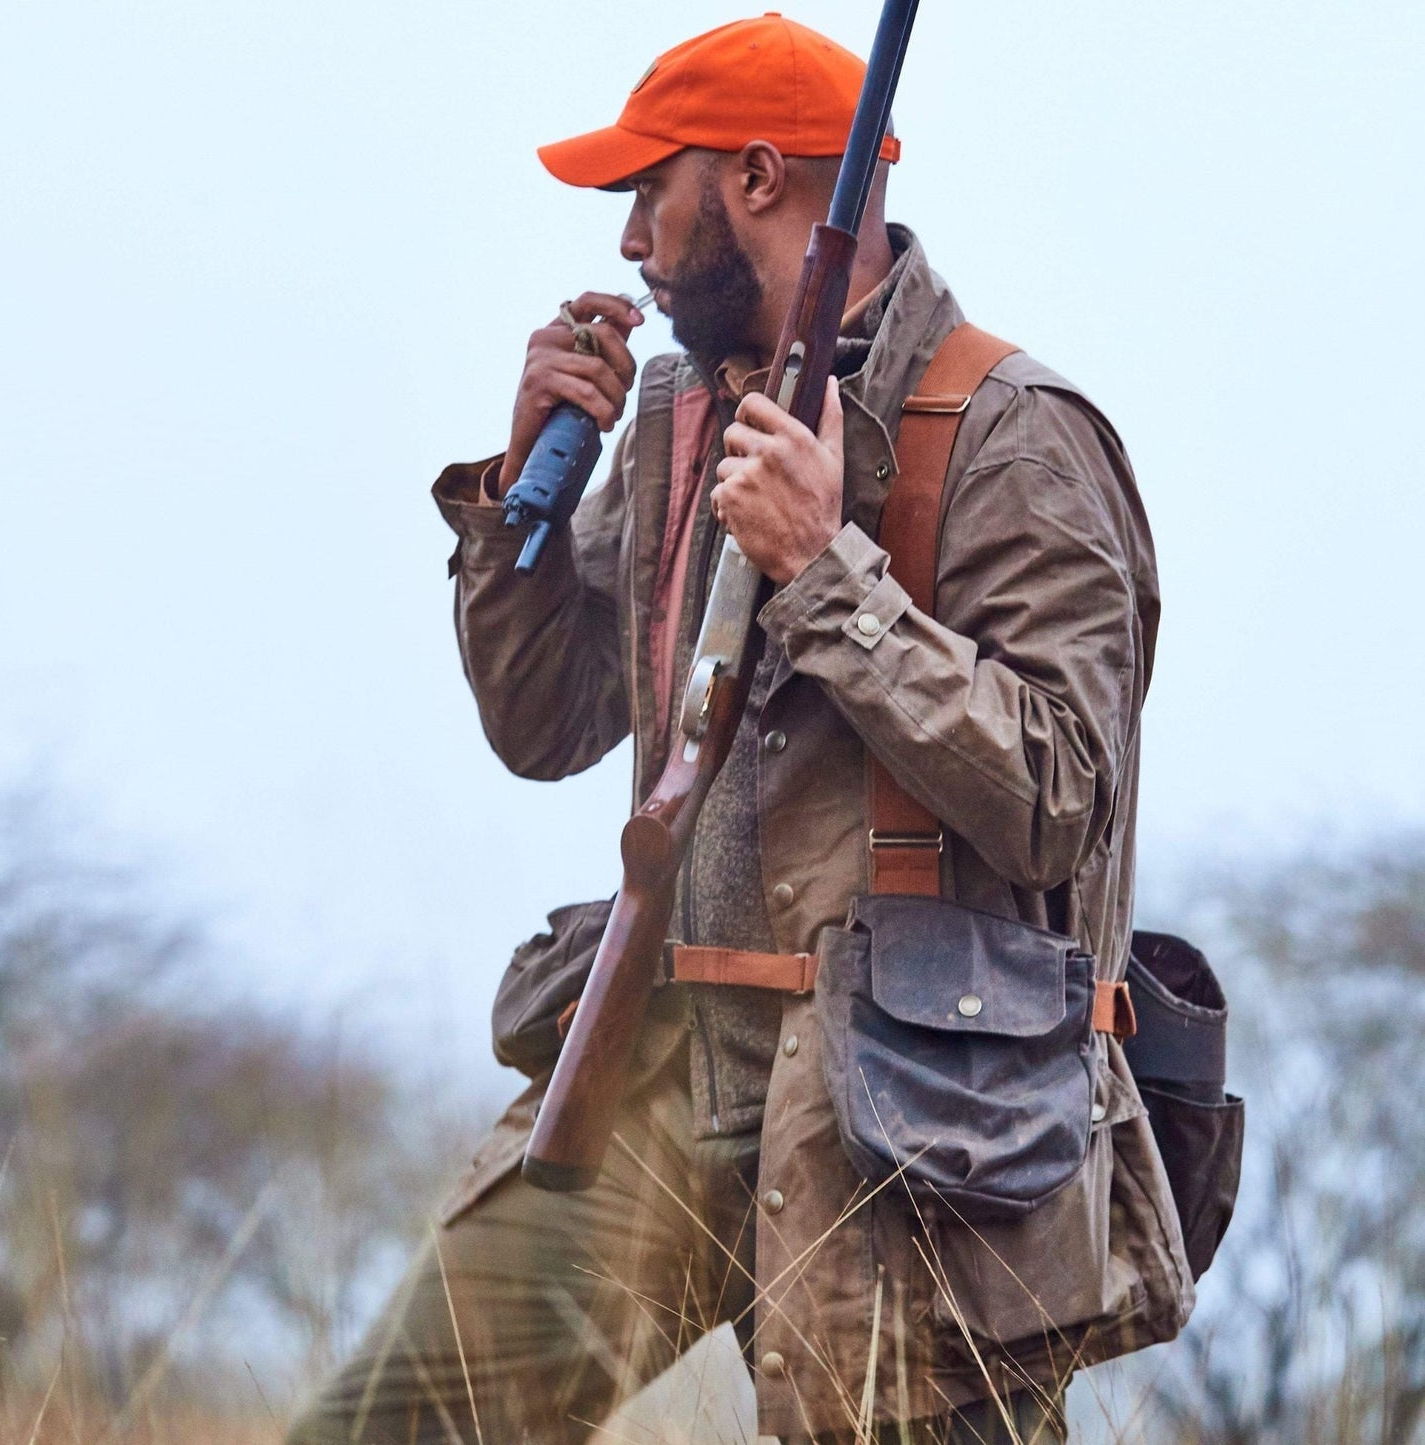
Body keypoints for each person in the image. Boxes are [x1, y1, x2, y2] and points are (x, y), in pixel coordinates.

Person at [287, 13, 1193, 1444]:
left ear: (761, 179)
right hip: (658, 1069)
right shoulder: (673, 416)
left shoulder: (1016, 430)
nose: (633, 238)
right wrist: (516, 501)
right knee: (384, 1429)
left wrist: (828, 574)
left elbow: (1061, 796)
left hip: (906, 1132)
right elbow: (545, 724)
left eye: (654, 188)